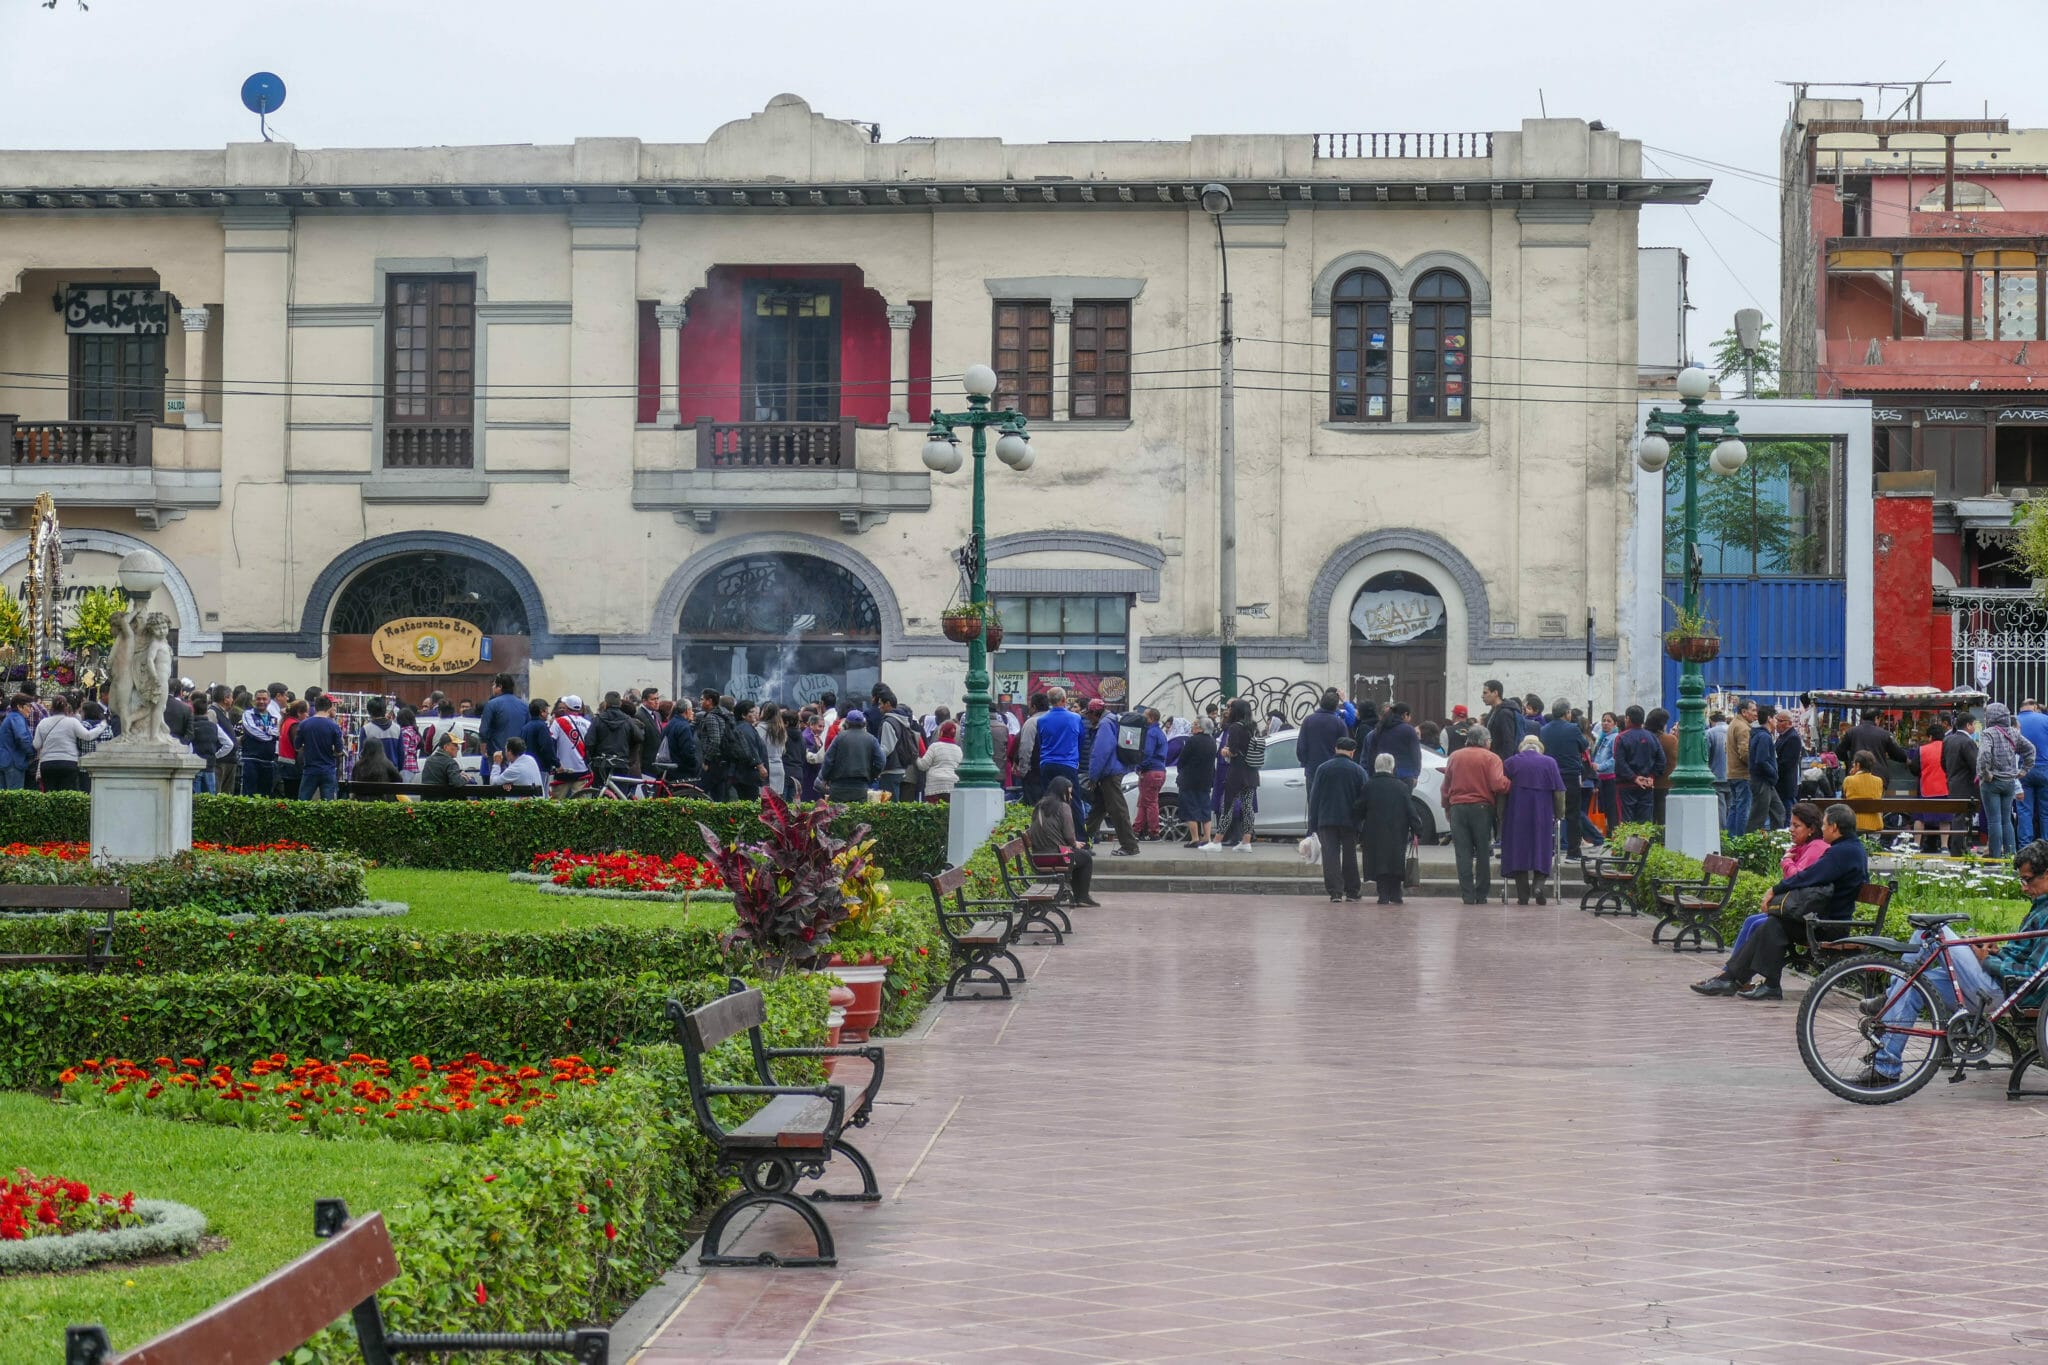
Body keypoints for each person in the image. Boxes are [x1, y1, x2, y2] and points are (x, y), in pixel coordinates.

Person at [1865, 839, 2048, 1087]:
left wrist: (1987, 961)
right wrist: (1995, 953)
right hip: (1994, 984)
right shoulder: (2040, 907)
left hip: (2003, 992)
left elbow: (2032, 975)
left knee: (1929, 932)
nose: (2024, 888)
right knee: (1914, 985)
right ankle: (1886, 1068)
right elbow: (2023, 957)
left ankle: (1888, 999)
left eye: (2028, 880)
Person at [1691, 802, 1868, 1000]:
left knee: (1775, 924)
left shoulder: (1842, 851)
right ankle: (1744, 981)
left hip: (1830, 925)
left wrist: (1775, 889)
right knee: (1774, 924)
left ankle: (1740, 980)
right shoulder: (1851, 848)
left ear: (1835, 827)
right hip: (1825, 920)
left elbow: (1809, 876)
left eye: (1825, 825)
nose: (1823, 829)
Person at [1716, 802, 1831, 969]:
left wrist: (1786, 861)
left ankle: (1733, 975)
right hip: (1798, 911)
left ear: (1811, 829)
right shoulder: (1803, 847)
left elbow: (1797, 878)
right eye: (1791, 824)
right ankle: (1729, 972)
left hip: (1807, 916)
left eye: (1796, 825)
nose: (1791, 829)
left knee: (1758, 924)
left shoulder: (1816, 847)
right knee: (1751, 921)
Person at [1442, 727, 1509, 903]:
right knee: (1482, 851)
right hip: (1481, 808)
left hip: (1457, 807)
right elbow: (1498, 784)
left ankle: (1467, 895)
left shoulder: (1455, 756)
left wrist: (1446, 807)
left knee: (1462, 853)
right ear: (1486, 741)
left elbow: (1446, 785)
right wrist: (1509, 783)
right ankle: (1481, 894)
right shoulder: (1491, 757)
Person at [1501, 734, 1565, 905]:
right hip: (1542, 814)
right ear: (1539, 748)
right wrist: (1560, 814)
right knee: (1542, 848)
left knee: (1518, 851)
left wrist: (1500, 814)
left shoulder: (1511, 762)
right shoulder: (1549, 762)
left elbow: (1502, 790)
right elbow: (1559, 792)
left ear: (1522, 746)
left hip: (1516, 813)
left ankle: (1523, 895)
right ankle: (1538, 885)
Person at [1306, 736, 1371, 902]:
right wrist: (1363, 822)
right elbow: (1365, 798)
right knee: (1350, 855)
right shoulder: (1358, 771)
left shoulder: (1322, 769)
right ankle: (1352, 891)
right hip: (1350, 820)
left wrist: (1312, 824)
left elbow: (1314, 798)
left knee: (1330, 856)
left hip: (1326, 819)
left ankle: (1335, 892)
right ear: (1352, 752)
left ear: (1335, 749)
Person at [1027, 776, 1099, 907]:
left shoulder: (1039, 805)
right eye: (1069, 793)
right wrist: (1074, 843)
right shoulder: (1063, 807)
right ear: (1062, 792)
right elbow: (1069, 834)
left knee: (1078, 855)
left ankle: (1078, 896)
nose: (1070, 797)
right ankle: (1082, 896)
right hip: (1055, 856)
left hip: (1037, 857)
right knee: (1086, 857)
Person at [1977, 702, 2036, 859]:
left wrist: (1985, 773)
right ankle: (2011, 857)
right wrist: (2024, 770)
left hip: (1992, 782)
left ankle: (1996, 857)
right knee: (2006, 821)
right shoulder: (2013, 733)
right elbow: (2030, 749)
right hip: (2009, 782)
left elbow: (1984, 755)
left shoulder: (1988, 733)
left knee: (1994, 821)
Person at [1357, 752, 1417, 904]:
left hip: (1374, 830)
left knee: (1379, 861)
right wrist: (1417, 828)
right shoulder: (1401, 786)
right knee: (1396, 860)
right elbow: (1410, 809)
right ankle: (1396, 893)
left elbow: (1359, 808)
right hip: (1397, 830)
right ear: (1392, 766)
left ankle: (1383, 894)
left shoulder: (1369, 785)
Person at [1084, 706, 1141, 856]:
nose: (1088, 718)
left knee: (1117, 809)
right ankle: (1083, 842)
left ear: (1095, 713)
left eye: (1089, 714)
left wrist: (1093, 776)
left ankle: (1130, 846)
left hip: (1109, 773)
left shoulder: (1105, 724)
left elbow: (1101, 752)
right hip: (1113, 770)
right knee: (1098, 808)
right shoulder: (1113, 720)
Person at [1538, 698, 1590, 859]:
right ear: (1567, 713)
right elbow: (1584, 745)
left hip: (1550, 776)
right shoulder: (1573, 728)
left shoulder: (1544, 729)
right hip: (1570, 775)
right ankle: (1573, 852)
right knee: (1573, 814)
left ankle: (1548, 849)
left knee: (1549, 814)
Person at [1035, 687, 1085, 833]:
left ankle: (1050, 834)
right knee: (1073, 800)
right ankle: (1080, 838)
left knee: (1048, 801)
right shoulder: (1075, 718)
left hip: (1047, 763)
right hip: (1068, 764)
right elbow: (1081, 740)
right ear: (1063, 700)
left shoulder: (1042, 720)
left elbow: (1040, 741)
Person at [31, 696, 107, 791]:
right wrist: (102, 726)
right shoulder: (72, 722)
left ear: (52, 707)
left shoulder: (43, 723)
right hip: (68, 762)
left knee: (50, 795)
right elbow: (88, 736)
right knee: (67, 794)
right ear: (66, 707)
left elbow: (36, 744)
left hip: (47, 764)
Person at [1217, 700, 1261, 852]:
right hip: (1251, 772)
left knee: (1226, 806)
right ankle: (1246, 841)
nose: (1229, 710)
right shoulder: (1253, 727)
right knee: (1247, 807)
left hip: (1237, 773)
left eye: (1231, 708)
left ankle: (1216, 842)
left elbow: (1233, 751)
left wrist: (1224, 751)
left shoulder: (1235, 727)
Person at [1612, 706, 1664, 826]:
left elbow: (1620, 762)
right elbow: (1661, 760)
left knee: (1626, 821)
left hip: (1626, 785)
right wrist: (1651, 776)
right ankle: (1643, 844)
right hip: (1647, 784)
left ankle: (1628, 844)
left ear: (1628, 718)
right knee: (1645, 822)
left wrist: (1634, 777)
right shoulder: (1652, 737)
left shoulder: (1621, 737)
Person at [819, 709, 883, 803]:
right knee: (858, 816)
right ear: (864, 724)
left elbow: (828, 760)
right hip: (861, 787)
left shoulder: (839, 738)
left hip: (838, 787)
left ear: (846, 723)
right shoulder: (871, 739)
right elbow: (881, 762)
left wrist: (825, 777)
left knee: (839, 816)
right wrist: (872, 775)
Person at [1176, 718, 1218, 849]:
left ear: (1201, 728)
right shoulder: (1212, 741)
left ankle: (1194, 838)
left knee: (1190, 808)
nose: (1192, 727)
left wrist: (1181, 771)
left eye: (1195, 725)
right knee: (1205, 808)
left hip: (1189, 779)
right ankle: (1207, 837)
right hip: (1206, 780)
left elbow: (1182, 759)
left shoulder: (1192, 741)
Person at [477, 673, 526, 785]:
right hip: (519, 755)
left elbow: (484, 731)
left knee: (497, 788)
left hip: (497, 754)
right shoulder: (524, 705)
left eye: (494, 685)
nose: (492, 687)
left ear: (500, 687)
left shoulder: (492, 704)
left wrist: (483, 751)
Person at [295, 695, 346, 801]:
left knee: (302, 802)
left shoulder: (304, 724)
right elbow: (339, 750)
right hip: (328, 769)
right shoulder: (333, 726)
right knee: (328, 805)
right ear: (330, 707)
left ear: (316, 707)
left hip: (310, 769)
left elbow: (297, 746)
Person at [1909, 719, 1950, 852]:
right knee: (1945, 818)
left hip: (1926, 788)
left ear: (1930, 737)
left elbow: (1914, 768)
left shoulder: (1922, 750)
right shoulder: (1948, 748)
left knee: (1920, 817)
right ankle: (1944, 846)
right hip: (1945, 788)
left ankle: (1916, 843)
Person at [1944, 713, 1981, 854]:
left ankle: (1958, 846)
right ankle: (1958, 848)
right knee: (1961, 817)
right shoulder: (1968, 742)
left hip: (1952, 782)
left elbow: (1943, 762)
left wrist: (1951, 775)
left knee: (1957, 816)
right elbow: (1975, 765)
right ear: (1968, 725)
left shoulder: (1948, 740)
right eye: (1974, 724)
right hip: (1967, 784)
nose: (1975, 728)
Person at [1296, 688, 1347, 786]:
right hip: (1334, 771)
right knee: (1331, 800)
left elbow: (1301, 747)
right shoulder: (1339, 723)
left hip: (1312, 769)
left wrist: (1306, 763)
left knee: (1313, 800)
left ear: (1321, 703)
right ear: (1336, 706)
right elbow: (1345, 749)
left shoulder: (1308, 720)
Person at [1745, 705, 1783, 833]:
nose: (1777, 722)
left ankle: (1776, 842)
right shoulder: (1764, 737)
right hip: (1762, 781)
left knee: (1778, 811)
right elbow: (1761, 760)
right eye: (1775, 718)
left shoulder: (1760, 735)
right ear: (1769, 719)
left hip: (1765, 781)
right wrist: (1773, 774)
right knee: (1758, 818)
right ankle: (1748, 846)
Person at [1367, 703, 1423, 788]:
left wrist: (1371, 774)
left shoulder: (1379, 729)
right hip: (1405, 776)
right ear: (1405, 715)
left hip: (1382, 776)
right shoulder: (1408, 730)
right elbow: (1416, 755)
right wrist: (1415, 775)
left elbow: (1371, 754)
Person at [1133, 708, 1169, 838]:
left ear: (1151, 718)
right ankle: (1137, 829)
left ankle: (1154, 832)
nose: (1142, 718)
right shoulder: (1159, 732)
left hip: (1151, 771)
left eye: (1145, 716)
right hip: (1158, 770)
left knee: (1150, 802)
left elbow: (1147, 753)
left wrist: (1139, 766)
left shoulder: (1151, 733)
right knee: (1144, 802)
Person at [1834, 707, 1909, 769]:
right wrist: (1906, 759)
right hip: (1878, 775)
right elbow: (1898, 754)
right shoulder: (1885, 734)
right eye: (1880, 719)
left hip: (1856, 773)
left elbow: (1839, 752)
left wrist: (1849, 761)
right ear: (1876, 718)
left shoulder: (1851, 732)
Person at [728, 699, 770, 802]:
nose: (755, 714)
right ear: (743, 715)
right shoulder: (745, 729)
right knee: (749, 800)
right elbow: (750, 748)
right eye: (752, 712)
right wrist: (760, 766)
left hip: (743, 773)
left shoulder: (743, 727)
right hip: (746, 774)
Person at [550, 696, 592, 796]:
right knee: (579, 805)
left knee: (557, 803)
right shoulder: (588, 724)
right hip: (582, 769)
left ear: (566, 706)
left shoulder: (558, 722)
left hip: (562, 769)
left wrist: (555, 763)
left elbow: (551, 742)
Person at [1725, 699, 1755, 836]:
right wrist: (1755, 766)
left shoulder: (1733, 724)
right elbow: (1745, 752)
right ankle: (1740, 839)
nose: (1756, 714)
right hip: (1743, 774)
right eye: (1753, 710)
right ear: (1744, 712)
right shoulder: (1743, 728)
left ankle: (1730, 837)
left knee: (1735, 807)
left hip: (1732, 773)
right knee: (1743, 808)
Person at [2020, 701, 2048, 844]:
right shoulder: (2045, 719)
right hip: (2045, 768)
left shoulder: (2015, 720)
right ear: (2035, 707)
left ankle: (2025, 846)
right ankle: (2046, 845)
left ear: (2021, 708)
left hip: (2023, 770)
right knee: (2046, 812)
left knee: (2025, 811)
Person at [1645, 708, 1676, 827]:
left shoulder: (1645, 737)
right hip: (1665, 783)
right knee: (1663, 818)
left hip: (1645, 782)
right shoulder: (1670, 740)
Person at [917, 721, 964, 798]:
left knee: (934, 809)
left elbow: (923, 766)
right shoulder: (958, 750)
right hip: (952, 785)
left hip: (935, 786)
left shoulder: (934, 747)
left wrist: (915, 757)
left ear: (941, 732)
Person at [1591, 711, 1621, 834]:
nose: (1605, 723)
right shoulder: (1601, 737)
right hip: (1600, 777)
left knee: (1611, 808)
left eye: (1609, 721)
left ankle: (1612, 833)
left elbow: (1615, 759)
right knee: (1602, 807)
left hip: (1610, 777)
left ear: (1615, 724)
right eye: (1604, 720)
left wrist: (1600, 766)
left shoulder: (1615, 738)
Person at [1842, 750, 1885, 832]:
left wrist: (1852, 776)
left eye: (1853, 764)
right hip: (1874, 824)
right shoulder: (1879, 781)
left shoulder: (1848, 780)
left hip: (1854, 823)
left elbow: (1845, 796)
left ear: (1858, 765)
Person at [1774, 710, 1804, 824]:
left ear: (1789, 723)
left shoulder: (1792, 738)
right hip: (1781, 783)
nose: (1777, 723)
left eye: (1780, 721)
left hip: (1785, 783)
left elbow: (1787, 763)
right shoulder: (1782, 737)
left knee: (1788, 811)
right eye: (1777, 720)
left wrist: (1773, 770)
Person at [0, 694, 34, 790]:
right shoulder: (17, 718)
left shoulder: (9, 717)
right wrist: (31, 753)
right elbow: (22, 737)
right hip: (14, 763)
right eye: (29, 706)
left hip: (4, 761)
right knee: (14, 798)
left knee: (4, 798)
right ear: (19, 706)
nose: (31, 709)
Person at [1483, 680, 1520, 760]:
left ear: (1495, 693)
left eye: (1485, 693)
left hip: (1500, 761)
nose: (1482, 696)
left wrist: (1505, 763)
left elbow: (1509, 741)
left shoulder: (1504, 713)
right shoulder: (1493, 711)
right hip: (1492, 758)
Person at [1705, 710, 1730, 826]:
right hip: (1734, 774)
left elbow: (1706, 756)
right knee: (1732, 806)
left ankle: (1722, 834)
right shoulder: (1733, 730)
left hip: (1716, 775)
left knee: (1720, 807)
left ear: (1711, 721)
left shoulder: (1709, 733)